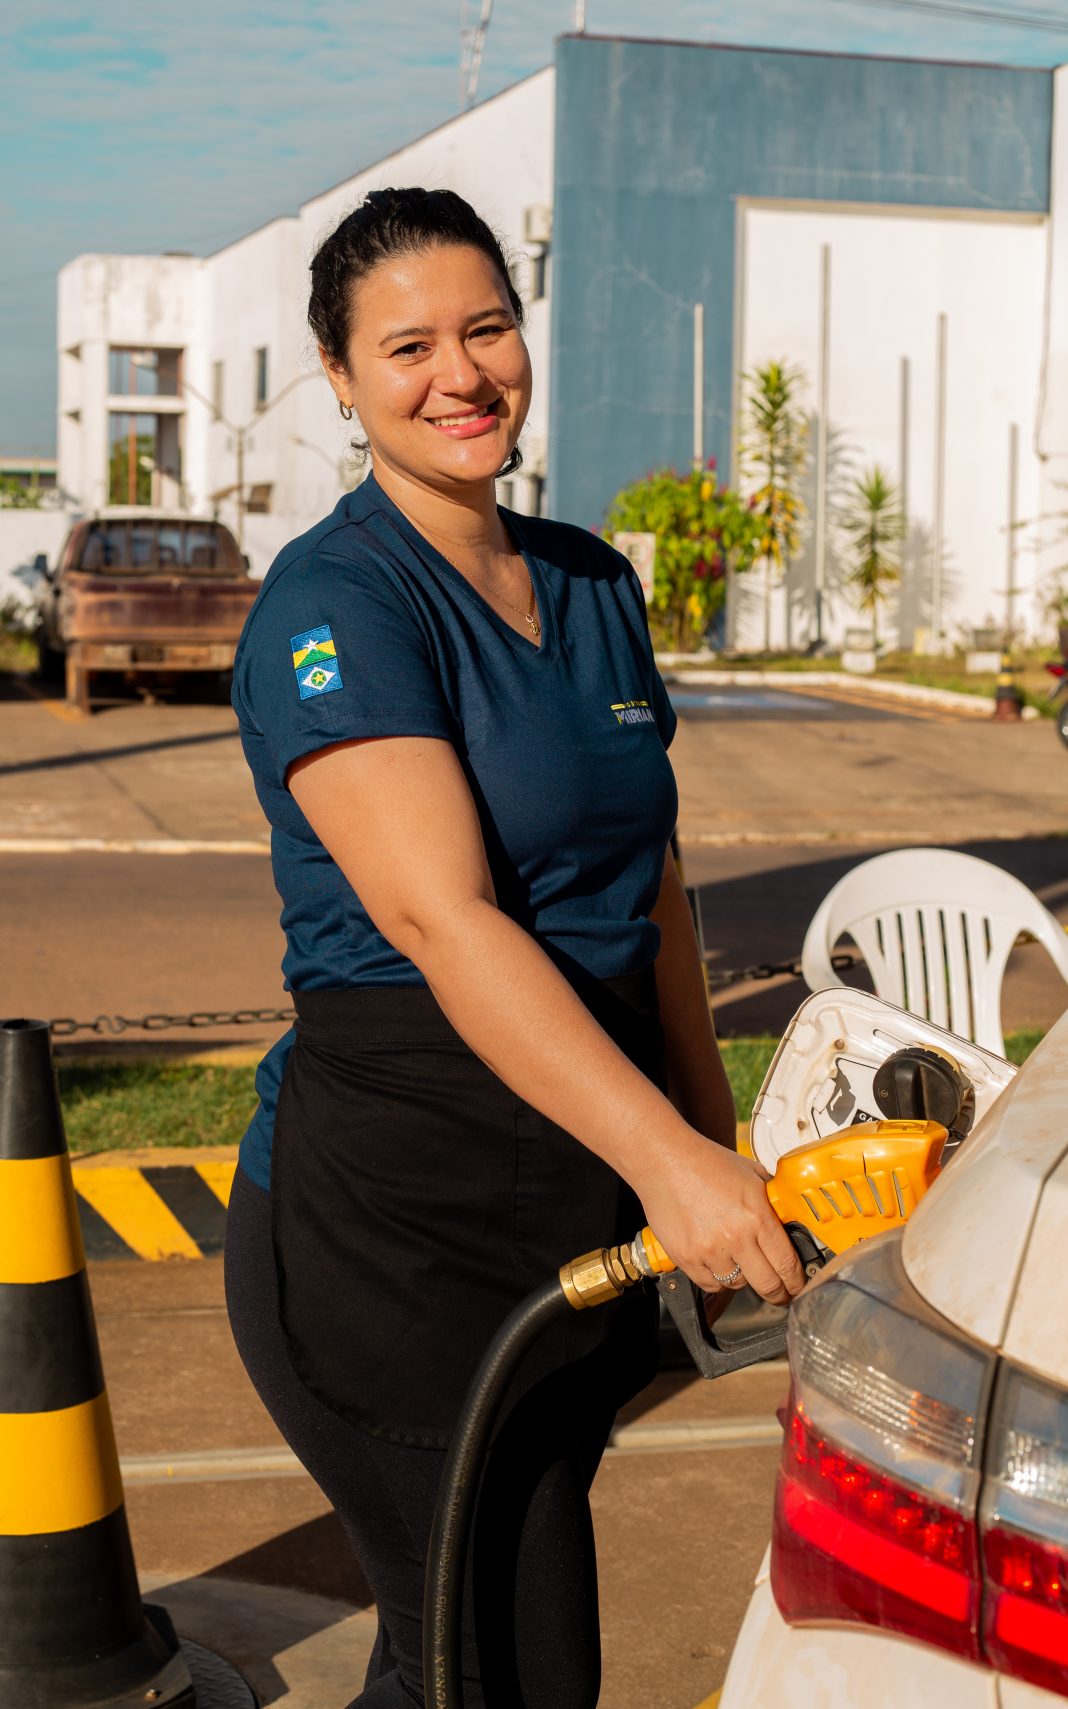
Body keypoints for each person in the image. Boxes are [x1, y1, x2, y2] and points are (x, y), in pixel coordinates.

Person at [224, 186, 803, 1709]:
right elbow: (443, 918)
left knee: (471, 1669)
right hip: (396, 1230)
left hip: (572, 1195)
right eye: (407, 346)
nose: (460, 375)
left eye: (485, 329)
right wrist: (670, 1167)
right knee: (503, 1669)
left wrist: (706, 1142)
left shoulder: (593, 581)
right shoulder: (336, 603)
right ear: (339, 377)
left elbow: (651, 883)